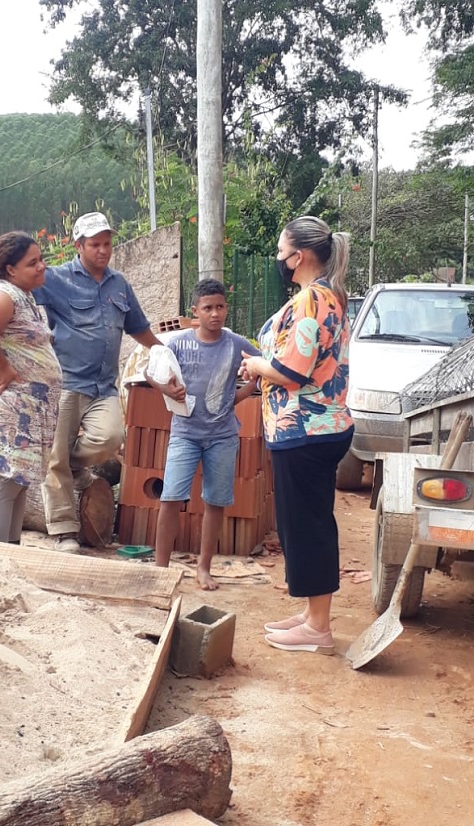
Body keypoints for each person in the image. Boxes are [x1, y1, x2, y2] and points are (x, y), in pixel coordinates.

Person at [240, 216, 354, 654]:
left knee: (306, 527)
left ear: (298, 256)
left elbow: (292, 370)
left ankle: (318, 628)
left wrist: (256, 365)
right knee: (306, 522)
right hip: (314, 427)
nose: (277, 258)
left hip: (306, 428)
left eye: (280, 251)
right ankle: (311, 615)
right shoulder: (328, 296)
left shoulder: (312, 299)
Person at [33, 212, 159, 552]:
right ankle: (64, 531)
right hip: (65, 383)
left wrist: (164, 351)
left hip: (104, 385)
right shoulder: (55, 279)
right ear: (79, 246)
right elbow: (19, 294)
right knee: (55, 456)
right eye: (95, 244)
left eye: (107, 243)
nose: (103, 250)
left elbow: (138, 327)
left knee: (111, 438)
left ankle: (73, 466)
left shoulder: (119, 284)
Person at [147, 278, 261, 590]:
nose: (215, 313)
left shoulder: (235, 344)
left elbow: (261, 366)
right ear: (195, 311)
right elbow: (149, 371)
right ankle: (160, 570)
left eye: (220, 307)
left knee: (215, 501)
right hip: (184, 433)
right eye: (208, 308)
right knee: (171, 497)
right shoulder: (178, 343)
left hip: (222, 436)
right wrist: (166, 388)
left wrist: (246, 391)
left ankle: (204, 567)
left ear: (227, 308)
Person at [0, 231, 62, 544]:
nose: (41, 266)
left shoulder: (21, 295)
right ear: (10, 269)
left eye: (41, 260)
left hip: (27, 408)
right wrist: (2, 366)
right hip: (11, 406)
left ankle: (12, 552)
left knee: (18, 483)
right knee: (5, 485)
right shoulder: (3, 295)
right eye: (32, 263)